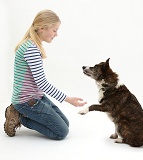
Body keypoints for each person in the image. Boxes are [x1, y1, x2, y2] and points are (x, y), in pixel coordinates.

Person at [4, 9, 87, 140]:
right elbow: (42, 83)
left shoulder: (32, 45)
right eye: (54, 30)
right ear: (42, 28)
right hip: (26, 102)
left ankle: (23, 113)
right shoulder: (31, 49)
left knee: (65, 124)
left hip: (36, 97)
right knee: (61, 132)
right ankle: (18, 115)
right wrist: (68, 99)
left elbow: (38, 83)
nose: (56, 34)